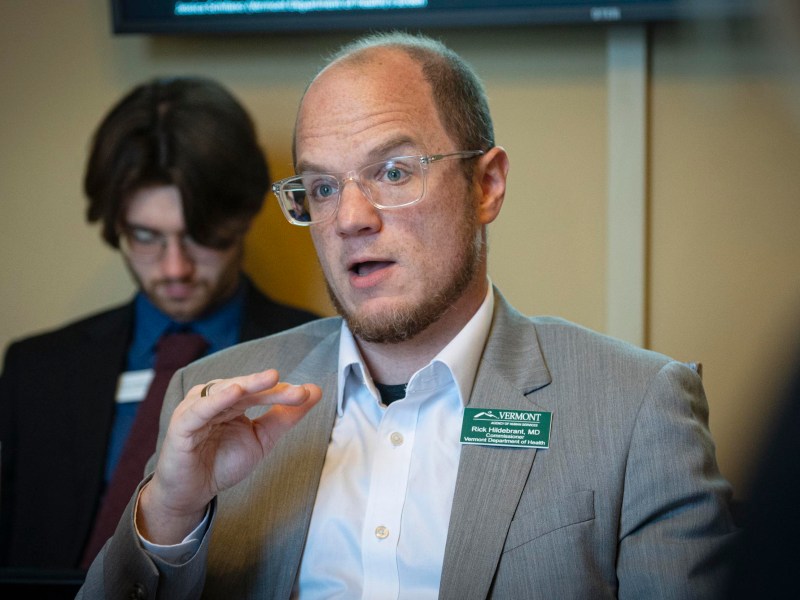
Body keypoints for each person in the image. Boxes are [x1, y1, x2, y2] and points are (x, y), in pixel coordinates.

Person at [78, 33, 737, 598]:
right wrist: (167, 512)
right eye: (324, 187)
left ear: (486, 185)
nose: (350, 219)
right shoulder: (217, 398)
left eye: (393, 172)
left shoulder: (634, 408)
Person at [0, 77, 319, 572]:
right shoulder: (35, 371)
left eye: (200, 237)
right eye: (146, 237)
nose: (174, 269)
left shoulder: (321, 362)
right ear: (115, 225)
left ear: (244, 216)